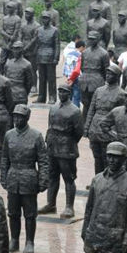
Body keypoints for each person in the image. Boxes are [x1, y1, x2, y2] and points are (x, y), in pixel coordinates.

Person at [0, 104, 49, 253]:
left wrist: (43, 180)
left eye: (20, 117)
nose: (17, 119)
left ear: (27, 118)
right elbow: (4, 158)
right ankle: (14, 240)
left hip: (29, 178)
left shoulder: (36, 136)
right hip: (13, 178)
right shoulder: (9, 135)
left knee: (29, 214)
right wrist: (3, 177)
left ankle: (29, 241)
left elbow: (43, 161)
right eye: (15, 116)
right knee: (13, 213)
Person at [41, 84, 83, 218]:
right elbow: (50, 126)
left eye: (64, 92)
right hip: (53, 147)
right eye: (59, 91)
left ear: (69, 93)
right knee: (52, 176)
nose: (61, 94)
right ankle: (50, 204)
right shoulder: (53, 108)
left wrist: (69, 143)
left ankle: (69, 207)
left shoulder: (75, 111)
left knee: (68, 178)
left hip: (66, 148)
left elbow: (78, 132)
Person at [85, 65, 125, 175]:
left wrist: (117, 133)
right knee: (97, 158)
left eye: (111, 74)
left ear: (117, 77)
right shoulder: (98, 90)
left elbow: (121, 117)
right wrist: (87, 128)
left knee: (107, 158)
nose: (108, 76)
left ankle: (107, 179)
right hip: (95, 129)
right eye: (107, 73)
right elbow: (91, 110)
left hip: (108, 131)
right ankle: (97, 179)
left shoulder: (121, 94)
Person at [73, 31, 108, 120]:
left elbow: (106, 70)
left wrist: (102, 80)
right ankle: (84, 125)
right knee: (85, 105)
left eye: (93, 39)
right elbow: (82, 67)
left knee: (96, 105)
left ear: (98, 39)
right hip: (84, 81)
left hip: (97, 81)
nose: (91, 41)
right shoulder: (85, 52)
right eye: (90, 39)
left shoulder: (104, 53)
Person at [35, 12, 60, 104]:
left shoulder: (55, 30)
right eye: (43, 18)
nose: (44, 20)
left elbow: (57, 45)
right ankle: (41, 97)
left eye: (46, 18)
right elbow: (36, 44)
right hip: (40, 56)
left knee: (51, 79)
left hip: (50, 57)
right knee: (41, 79)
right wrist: (36, 57)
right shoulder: (38, 30)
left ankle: (52, 97)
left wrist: (56, 58)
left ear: (49, 19)